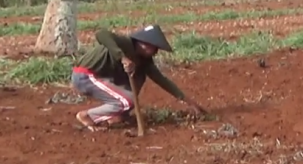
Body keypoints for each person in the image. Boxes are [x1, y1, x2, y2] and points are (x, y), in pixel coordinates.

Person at [71, 25, 206, 130]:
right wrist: (122, 58)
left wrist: (189, 102)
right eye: (153, 48)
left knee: (139, 76)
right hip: (85, 75)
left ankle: (118, 116)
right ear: (143, 43)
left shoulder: (144, 61)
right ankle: (88, 116)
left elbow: (161, 80)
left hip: (102, 78)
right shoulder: (125, 43)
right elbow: (101, 34)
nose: (154, 52)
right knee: (126, 101)